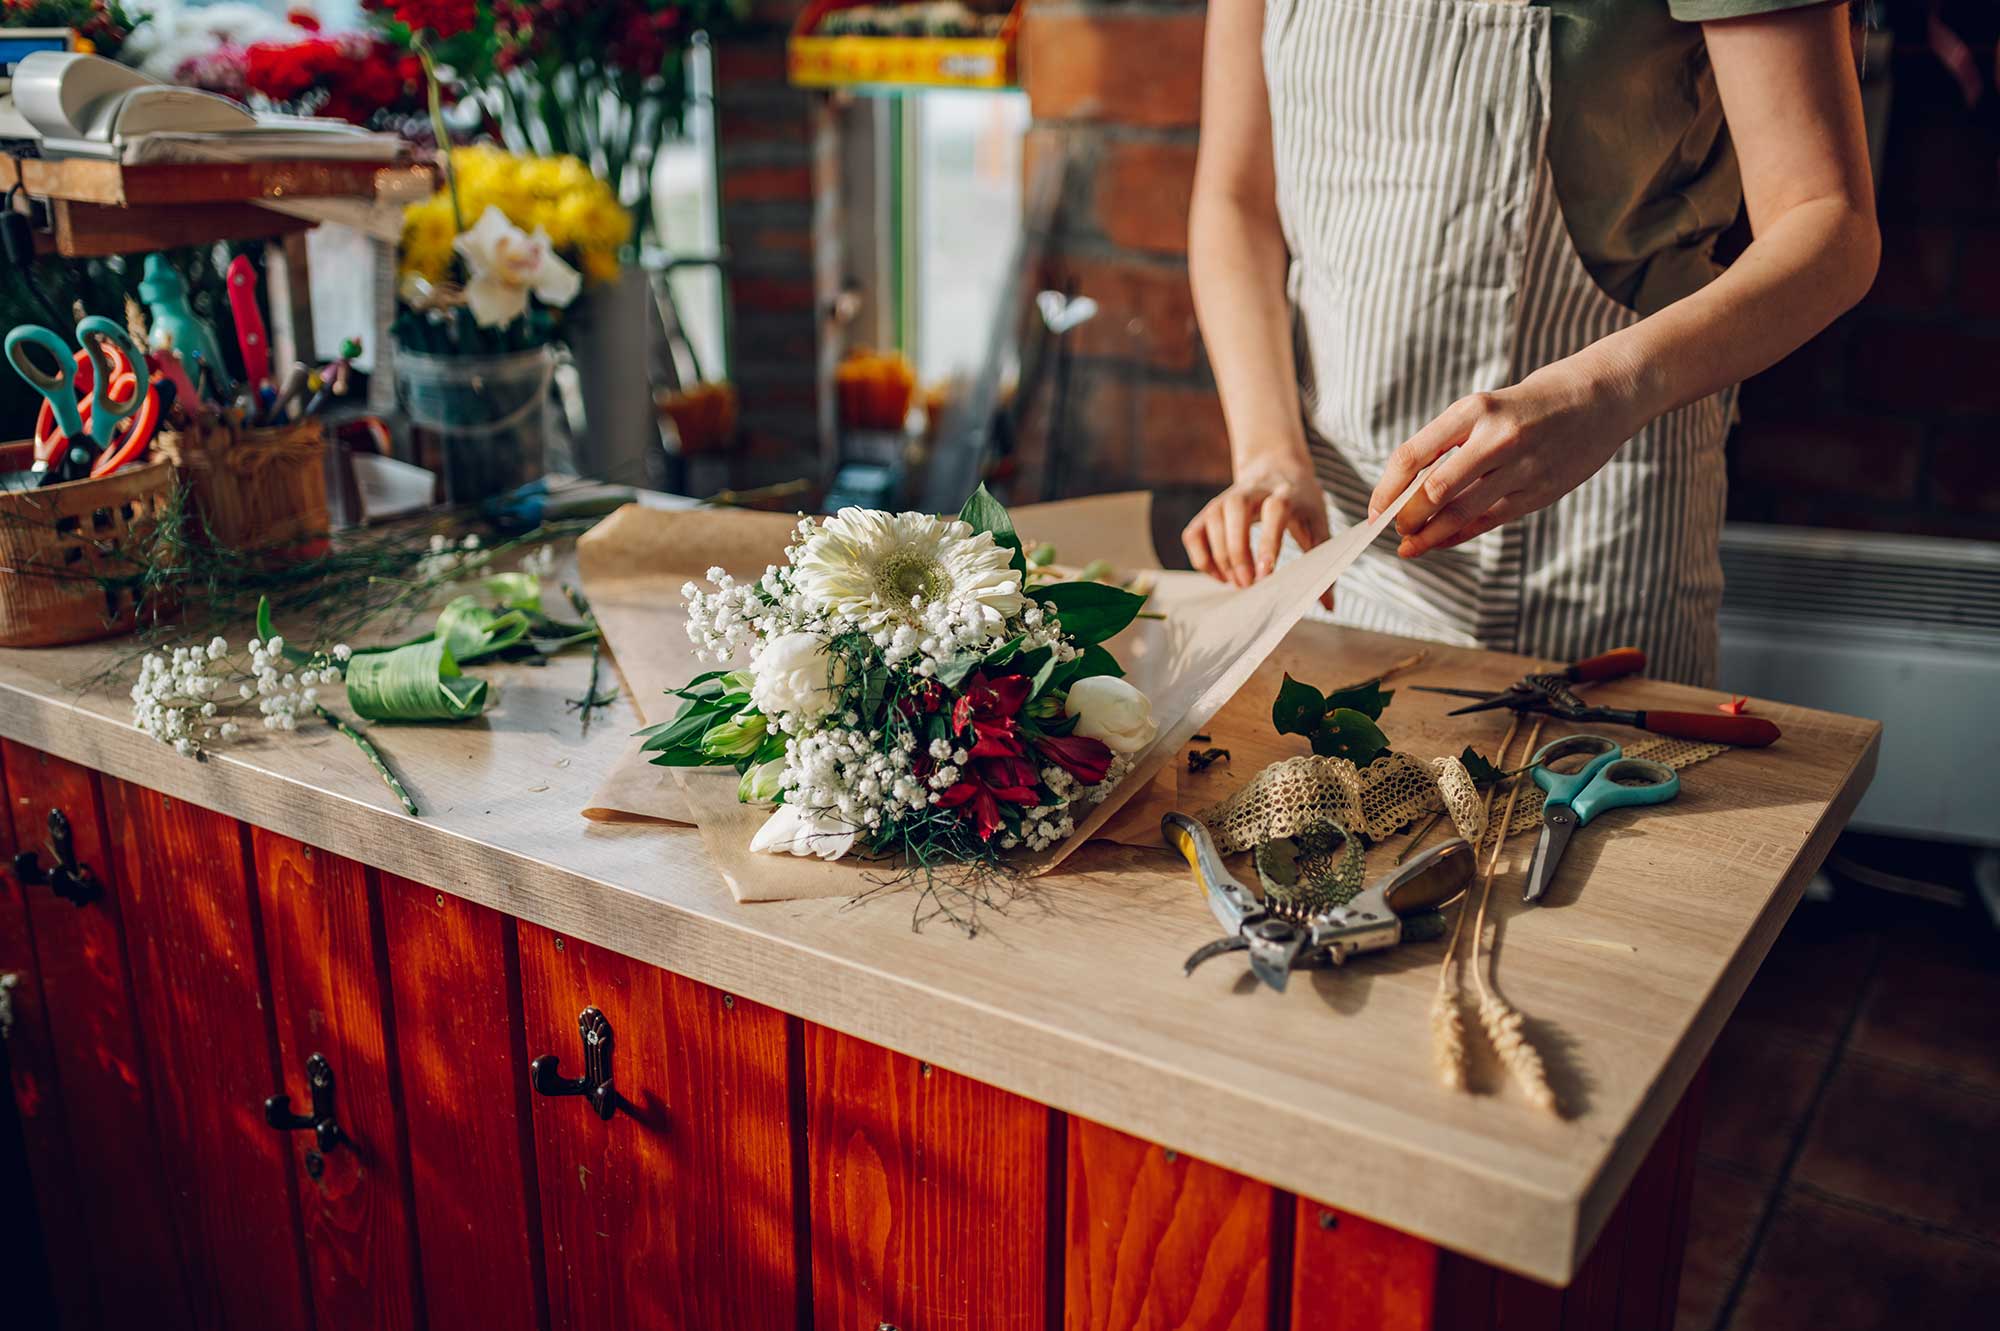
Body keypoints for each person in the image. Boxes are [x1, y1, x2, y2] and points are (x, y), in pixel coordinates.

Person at [1180, 0, 1878, 685]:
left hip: (1599, 530)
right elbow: (1237, 200)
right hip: (1335, 531)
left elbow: (1829, 223)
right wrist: (1269, 456)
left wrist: (1606, 391)